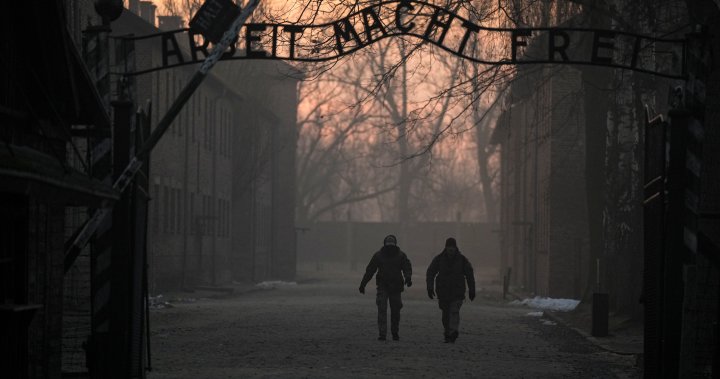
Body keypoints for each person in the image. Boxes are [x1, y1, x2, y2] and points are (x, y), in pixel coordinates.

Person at [359, 234, 412, 341]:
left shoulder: (395, 256)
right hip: (385, 286)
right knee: (384, 310)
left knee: (393, 311)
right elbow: (370, 271)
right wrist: (363, 283)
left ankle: (392, 333)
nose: (390, 248)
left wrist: (408, 277)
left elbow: (407, 268)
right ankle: (386, 334)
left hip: (393, 287)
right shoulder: (386, 256)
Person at [426, 237, 475, 343]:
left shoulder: (462, 260)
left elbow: (469, 274)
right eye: (449, 247)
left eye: (452, 247)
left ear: (455, 247)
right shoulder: (439, 259)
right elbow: (430, 272)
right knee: (445, 315)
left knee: (454, 311)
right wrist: (429, 287)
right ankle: (448, 332)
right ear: (446, 247)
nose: (451, 249)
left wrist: (472, 290)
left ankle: (453, 332)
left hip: (457, 292)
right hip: (443, 292)